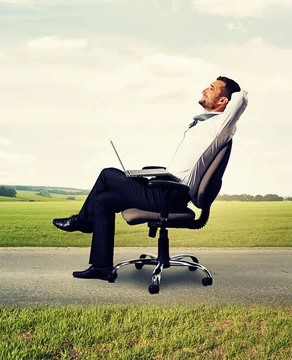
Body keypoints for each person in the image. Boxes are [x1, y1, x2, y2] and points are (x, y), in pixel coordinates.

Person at [53, 76, 248, 280]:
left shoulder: (221, 126)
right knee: (104, 201)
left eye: (211, 88)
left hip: (172, 195)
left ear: (223, 101)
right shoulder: (203, 125)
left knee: (108, 174)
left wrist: (235, 91)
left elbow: (241, 100)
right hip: (166, 187)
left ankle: (83, 221)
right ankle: (101, 267)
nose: (203, 90)